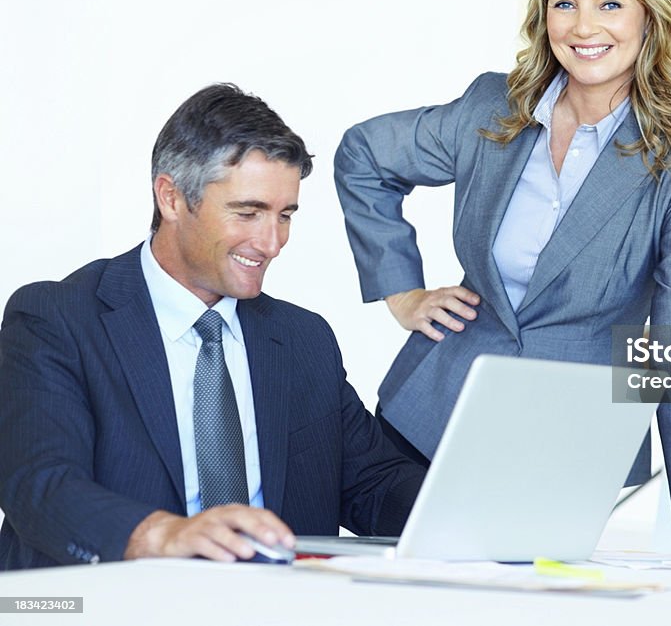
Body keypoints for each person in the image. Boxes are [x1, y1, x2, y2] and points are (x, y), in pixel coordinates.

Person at [336, 0, 671, 562]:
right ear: (543, 13)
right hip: (429, 418)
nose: (584, 27)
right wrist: (401, 290)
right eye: (565, 3)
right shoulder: (491, 109)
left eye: (609, 2)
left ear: (648, 16)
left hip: (563, 449)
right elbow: (365, 155)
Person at [0, 84, 425, 570]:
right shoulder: (56, 319)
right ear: (172, 198)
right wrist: (167, 535)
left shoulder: (304, 339)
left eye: (285, 216)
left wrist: (487, 514)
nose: (271, 243)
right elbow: (41, 486)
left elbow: (372, 483)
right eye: (248, 212)